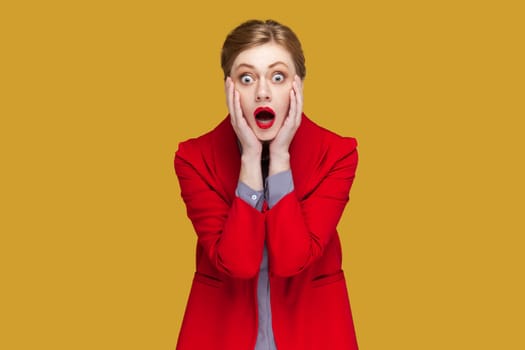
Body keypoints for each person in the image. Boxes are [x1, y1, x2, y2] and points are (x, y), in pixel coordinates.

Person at [174, 19, 359, 350]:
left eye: (278, 76)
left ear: (297, 86)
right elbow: (239, 264)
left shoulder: (336, 155)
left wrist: (280, 159)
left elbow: (293, 260)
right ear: (229, 87)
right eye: (247, 78)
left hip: (313, 332)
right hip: (222, 333)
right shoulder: (194, 158)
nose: (262, 92)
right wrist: (248, 159)